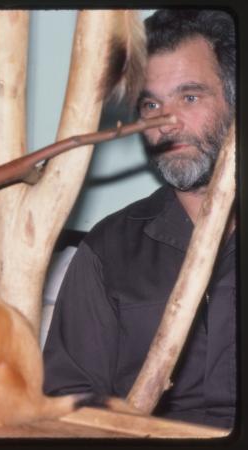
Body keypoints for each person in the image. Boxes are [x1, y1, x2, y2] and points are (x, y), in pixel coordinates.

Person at [43, 9, 236, 429]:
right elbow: (68, 400)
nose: (166, 123)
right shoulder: (108, 248)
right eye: (151, 103)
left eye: (189, 96)